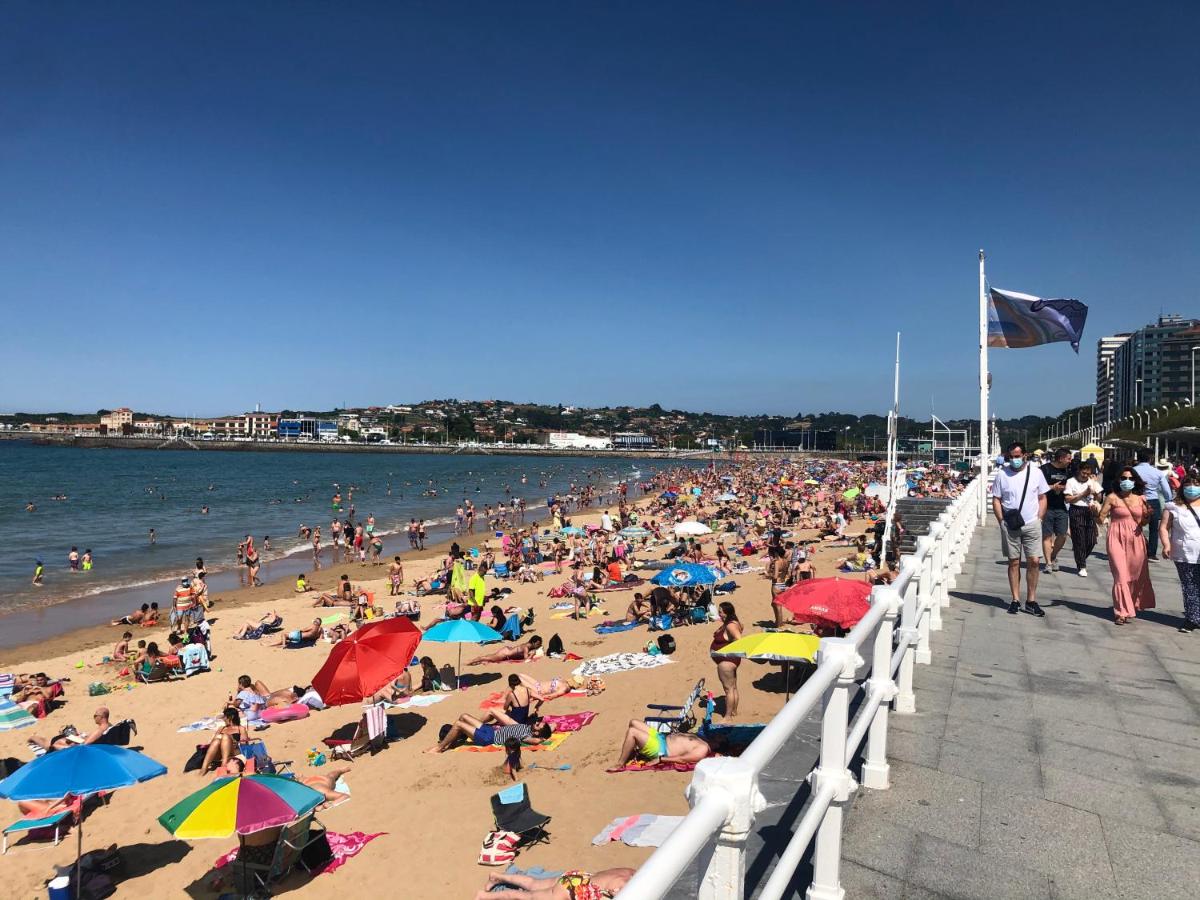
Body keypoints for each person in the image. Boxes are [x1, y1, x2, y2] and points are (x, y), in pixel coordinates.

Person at [990, 442, 1048, 617]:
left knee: (1034, 561)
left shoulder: (1036, 473)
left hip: (1032, 523)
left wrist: (1040, 518)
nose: (1014, 460)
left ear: (1025, 455)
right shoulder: (1002, 474)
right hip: (1011, 524)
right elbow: (996, 499)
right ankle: (1015, 599)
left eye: (1017, 456)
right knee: (1014, 562)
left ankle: (1031, 600)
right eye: (1011, 457)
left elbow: (1042, 497)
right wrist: (1001, 521)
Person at [1096, 465, 1156, 625]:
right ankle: (1120, 611)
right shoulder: (1112, 497)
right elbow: (1101, 519)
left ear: (1135, 481)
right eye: (1123, 478)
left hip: (1136, 539)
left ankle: (1130, 604)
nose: (1127, 481)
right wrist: (1094, 514)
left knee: (1136, 574)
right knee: (1121, 576)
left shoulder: (1141, 498)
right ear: (1118, 480)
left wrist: (1148, 517)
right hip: (1116, 538)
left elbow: (1143, 522)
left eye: (1130, 478)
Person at [1159, 473, 1200, 633]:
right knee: (1189, 586)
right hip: (1183, 552)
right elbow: (1163, 527)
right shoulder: (1173, 506)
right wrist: (1166, 545)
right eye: (1188, 484)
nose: (1192, 487)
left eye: (1196, 484)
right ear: (1182, 487)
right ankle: (1192, 618)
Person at [606, 719, 721, 771]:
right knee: (634, 722)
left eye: (720, 737)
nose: (717, 735)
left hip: (661, 748)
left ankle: (620, 764)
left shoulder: (702, 749)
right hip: (661, 737)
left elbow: (682, 759)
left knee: (632, 731)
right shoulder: (702, 739)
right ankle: (631, 749)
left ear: (718, 744)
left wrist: (661, 759)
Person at [474, 869, 635, 900]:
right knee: (526, 896)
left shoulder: (630, 872)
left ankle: (497, 876)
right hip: (569, 892)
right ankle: (485, 896)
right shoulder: (625, 891)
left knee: (532, 883)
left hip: (578, 877)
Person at [426, 714, 552, 753]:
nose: (536, 722)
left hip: (488, 738)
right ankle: (450, 742)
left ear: (537, 732)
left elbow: (536, 741)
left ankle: (439, 748)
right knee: (463, 716)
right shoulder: (528, 728)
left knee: (459, 725)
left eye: (537, 725)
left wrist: (541, 738)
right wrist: (548, 729)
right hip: (490, 730)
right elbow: (552, 726)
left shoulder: (528, 736)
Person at [1064, 459, 1102, 577]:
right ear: (1079, 471)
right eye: (1083, 473)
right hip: (1076, 510)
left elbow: (1099, 498)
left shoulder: (1092, 482)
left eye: (1087, 473)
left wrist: (1095, 493)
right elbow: (1068, 499)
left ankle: (1080, 557)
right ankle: (1082, 566)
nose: (1085, 476)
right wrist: (1082, 494)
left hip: (1090, 511)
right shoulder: (1071, 482)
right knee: (1079, 539)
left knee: (1091, 540)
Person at [1040, 448, 1073, 573]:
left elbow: (1071, 485)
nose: (1070, 461)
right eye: (1068, 459)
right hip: (1046, 506)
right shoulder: (1045, 469)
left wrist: (1062, 489)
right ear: (1061, 458)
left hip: (1061, 506)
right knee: (1047, 536)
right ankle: (1048, 563)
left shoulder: (1067, 471)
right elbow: (1037, 487)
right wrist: (1052, 487)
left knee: (1062, 535)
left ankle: (1053, 555)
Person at [1134, 448, 1171, 560]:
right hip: (1153, 501)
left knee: (1135, 526)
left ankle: (1136, 549)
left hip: (1136, 500)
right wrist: (1168, 501)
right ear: (1150, 459)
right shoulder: (1157, 472)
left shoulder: (1132, 471)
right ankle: (1151, 553)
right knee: (1154, 528)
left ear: (1138, 458)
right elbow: (1167, 491)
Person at [710, 601, 743, 718]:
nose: (719, 614)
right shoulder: (731, 622)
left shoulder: (731, 625)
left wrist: (728, 651)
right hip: (729, 660)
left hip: (727, 662)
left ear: (727, 613)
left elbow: (739, 640)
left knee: (728, 689)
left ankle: (727, 716)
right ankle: (734, 712)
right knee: (733, 687)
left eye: (720, 612)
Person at [27, 707, 112, 752]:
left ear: (101, 717)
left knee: (51, 744)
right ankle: (33, 737)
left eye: (95, 716)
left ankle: (32, 737)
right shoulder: (107, 726)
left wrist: (76, 741)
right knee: (50, 742)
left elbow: (85, 744)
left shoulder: (101, 729)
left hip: (73, 747)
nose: (94, 718)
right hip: (75, 741)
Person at [198, 707, 251, 776]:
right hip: (219, 753)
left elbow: (244, 744)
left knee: (225, 736)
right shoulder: (221, 728)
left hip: (234, 751)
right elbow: (213, 742)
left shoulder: (240, 728)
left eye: (225, 717)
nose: (224, 719)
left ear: (231, 717)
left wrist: (233, 740)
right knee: (216, 741)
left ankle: (223, 765)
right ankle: (204, 768)